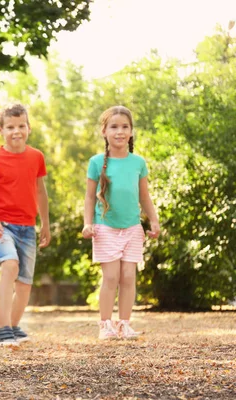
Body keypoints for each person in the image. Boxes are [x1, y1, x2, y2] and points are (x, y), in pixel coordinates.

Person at [82, 105, 160, 340]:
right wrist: (88, 223)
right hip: (105, 227)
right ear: (104, 131)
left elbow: (144, 196)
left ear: (131, 132)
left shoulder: (138, 162)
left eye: (125, 127)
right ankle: (105, 325)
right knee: (111, 277)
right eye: (114, 126)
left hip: (132, 228)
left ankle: (124, 324)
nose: (120, 131)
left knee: (128, 277)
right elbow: (88, 196)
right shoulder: (96, 162)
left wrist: (153, 220)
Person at [0, 103, 51, 347]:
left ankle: (14, 326)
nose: (16, 131)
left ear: (28, 128)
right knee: (10, 266)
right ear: (1, 130)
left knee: (25, 283)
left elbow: (41, 192)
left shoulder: (36, 157)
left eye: (21, 126)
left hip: (28, 227)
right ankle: (2, 328)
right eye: (10, 127)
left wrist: (46, 225)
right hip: (3, 225)